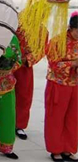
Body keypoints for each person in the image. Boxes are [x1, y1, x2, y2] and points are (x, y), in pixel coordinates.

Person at [45, 13, 78, 162]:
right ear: (71, 28)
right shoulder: (57, 41)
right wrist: (72, 64)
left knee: (73, 118)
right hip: (58, 84)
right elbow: (53, 64)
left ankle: (68, 149)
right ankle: (55, 149)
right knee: (55, 117)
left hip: (75, 85)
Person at [14, 28, 36, 141]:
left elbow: (41, 50)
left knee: (24, 96)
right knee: (5, 94)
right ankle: (4, 123)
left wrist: (26, 59)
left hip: (24, 67)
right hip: (9, 63)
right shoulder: (15, 23)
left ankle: (19, 125)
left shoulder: (42, 31)